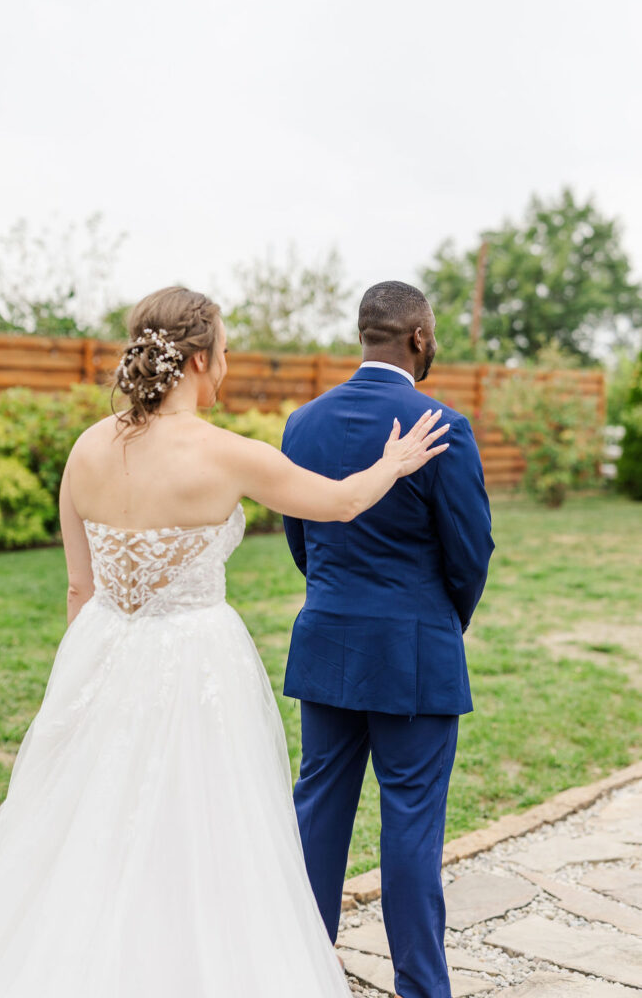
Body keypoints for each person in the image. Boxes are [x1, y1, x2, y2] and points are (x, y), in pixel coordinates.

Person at [0, 286, 450, 998]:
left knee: (90, 819)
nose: (226, 364)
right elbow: (341, 503)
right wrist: (395, 462)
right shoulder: (227, 455)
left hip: (101, 654)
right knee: (201, 823)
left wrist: (84, 682)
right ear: (195, 360)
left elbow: (79, 588)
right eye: (222, 351)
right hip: (194, 665)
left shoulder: (88, 447)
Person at [281, 281, 494, 998]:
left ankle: (302, 972)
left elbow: (300, 540)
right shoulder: (440, 424)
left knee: (317, 812)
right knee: (409, 824)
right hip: (414, 649)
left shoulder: (302, 424)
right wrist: (441, 619)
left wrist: (338, 597)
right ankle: (420, 989)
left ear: (363, 335)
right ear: (420, 339)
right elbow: (469, 549)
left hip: (326, 641)